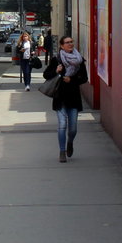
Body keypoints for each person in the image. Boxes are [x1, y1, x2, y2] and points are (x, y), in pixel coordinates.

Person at [43, 35, 88, 163]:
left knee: (73, 129)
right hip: (60, 97)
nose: (70, 44)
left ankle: (70, 142)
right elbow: (46, 75)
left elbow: (84, 78)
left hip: (73, 97)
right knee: (62, 125)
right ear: (62, 46)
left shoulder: (79, 60)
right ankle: (62, 151)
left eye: (71, 42)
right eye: (67, 42)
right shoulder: (56, 60)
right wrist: (56, 71)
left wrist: (71, 80)